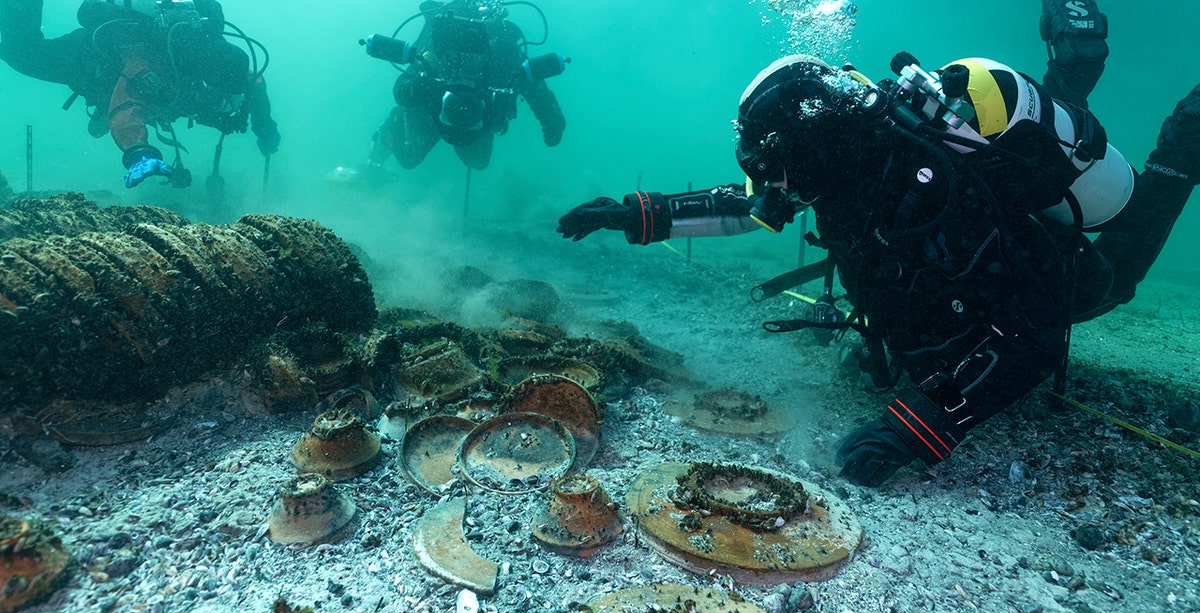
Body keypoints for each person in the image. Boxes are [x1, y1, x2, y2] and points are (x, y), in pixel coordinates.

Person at [555, 0, 1200, 487]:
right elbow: (747, 207)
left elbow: (1033, 339)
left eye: (774, 168)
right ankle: (1071, 71)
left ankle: (1185, 127)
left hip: (1073, 278)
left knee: (1129, 248)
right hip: (953, 287)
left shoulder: (934, 191)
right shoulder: (834, 167)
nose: (771, 188)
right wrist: (635, 214)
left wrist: (918, 426)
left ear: (811, 152)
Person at [0, 0, 279, 189]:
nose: (221, 101)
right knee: (23, 54)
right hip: (88, 61)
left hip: (159, 78)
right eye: (217, 94)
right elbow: (127, 107)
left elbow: (255, 83)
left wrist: (264, 128)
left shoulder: (220, 59)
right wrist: (139, 152)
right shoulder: (150, 65)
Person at [364, 0, 566, 171]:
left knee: (478, 163)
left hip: (479, 118)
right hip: (429, 112)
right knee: (409, 158)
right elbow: (402, 87)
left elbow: (531, 81)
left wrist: (552, 120)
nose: (472, 36)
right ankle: (390, 128)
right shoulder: (440, 42)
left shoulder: (503, 51)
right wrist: (418, 89)